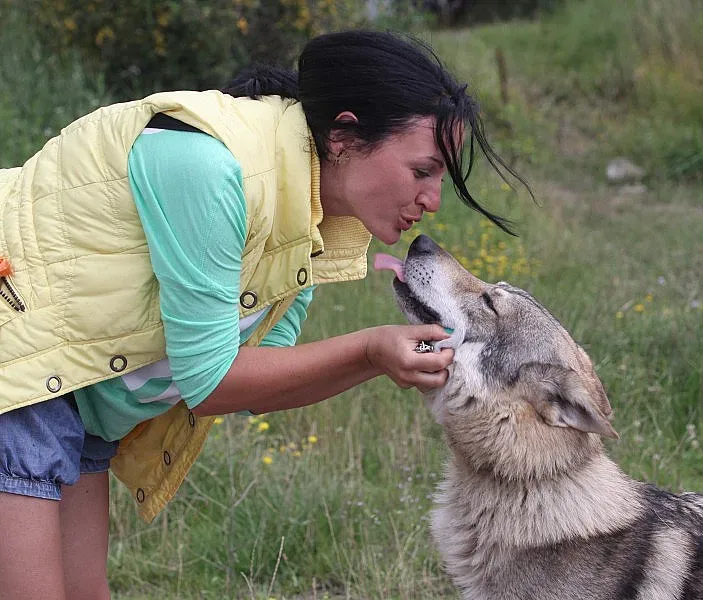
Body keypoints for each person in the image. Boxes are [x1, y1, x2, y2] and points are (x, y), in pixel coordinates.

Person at [0, 30, 527, 599]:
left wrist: (377, 360)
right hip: (21, 361)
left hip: (75, 382)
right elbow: (210, 382)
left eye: (441, 180)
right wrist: (371, 349)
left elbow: (259, 382)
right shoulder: (212, 167)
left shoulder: (311, 223)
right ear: (345, 135)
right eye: (422, 171)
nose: (433, 200)